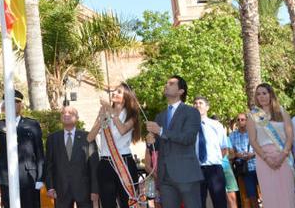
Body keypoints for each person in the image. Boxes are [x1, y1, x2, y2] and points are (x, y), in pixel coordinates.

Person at [144, 75, 203, 208]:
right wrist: (150, 142)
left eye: (171, 83)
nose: (166, 85)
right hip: (165, 177)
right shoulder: (160, 116)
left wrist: (161, 132)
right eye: (166, 83)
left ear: (181, 91)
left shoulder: (192, 112)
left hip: (187, 174)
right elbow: (157, 146)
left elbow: (188, 138)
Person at [0, 90, 44, 208]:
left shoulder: (31, 124)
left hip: (28, 175)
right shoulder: (0, 124)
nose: (13, 105)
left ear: (20, 105)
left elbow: (39, 152)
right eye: (9, 102)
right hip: (6, 175)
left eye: (16, 102)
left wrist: (40, 177)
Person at [87, 84, 141, 208]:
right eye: (114, 90)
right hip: (106, 163)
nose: (114, 93)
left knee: (127, 202)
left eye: (119, 91)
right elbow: (90, 137)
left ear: (126, 96)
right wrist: (101, 119)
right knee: (107, 203)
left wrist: (111, 112)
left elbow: (122, 130)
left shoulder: (131, 115)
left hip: (124, 162)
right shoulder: (105, 112)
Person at [247, 83, 295, 208]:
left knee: (287, 193)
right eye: (258, 94)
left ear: (271, 94)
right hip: (264, 159)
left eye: (264, 93)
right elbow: (253, 140)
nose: (261, 97)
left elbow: (290, 137)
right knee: (270, 194)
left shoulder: (282, 112)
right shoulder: (253, 116)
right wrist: (266, 158)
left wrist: (282, 156)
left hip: (283, 157)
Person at [44, 106, 98, 208]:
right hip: (61, 191)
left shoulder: (87, 137)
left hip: (84, 191)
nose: (66, 115)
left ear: (77, 118)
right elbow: (48, 165)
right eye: (63, 113)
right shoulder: (52, 138)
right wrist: (50, 187)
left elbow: (94, 166)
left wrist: (95, 190)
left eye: (70, 113)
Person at [192, 96, 229, 208]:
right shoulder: (189, 127)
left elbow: (224, 148)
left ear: (207, 107)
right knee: (198, 203)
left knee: (220, 202)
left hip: (214, 169)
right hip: (196, 170)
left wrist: (214, 160)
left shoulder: (216, 125)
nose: (197, 105)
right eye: (195, 103)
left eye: (200, 103)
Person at [229, 113, 259, 208]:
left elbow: (262, 148)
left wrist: (253, 154)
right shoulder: (232, 136)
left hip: (258, 167)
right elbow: (231, 152)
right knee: (251, 196)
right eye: (238, 120)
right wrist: (237, 154)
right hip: (244, 170)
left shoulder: (254, 132)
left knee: (267, 193)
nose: (240, 121)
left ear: (247, 121)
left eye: (243, 119)